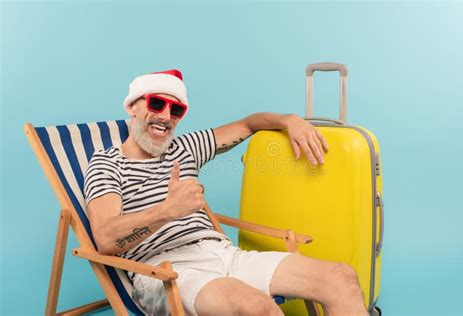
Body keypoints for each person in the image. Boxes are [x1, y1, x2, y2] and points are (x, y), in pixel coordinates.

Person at [84, 69, 368, 316]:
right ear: (132, 106)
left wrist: (288, 120)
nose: (166, 116)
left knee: (341, 277)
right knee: (259, 308)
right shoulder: (107, 163)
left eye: (176, 109)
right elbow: (106, 239)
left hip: (222, 253)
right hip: (164, 269)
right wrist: (168, 210)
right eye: (156, 103)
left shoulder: (185, 148)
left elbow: (248, 124)